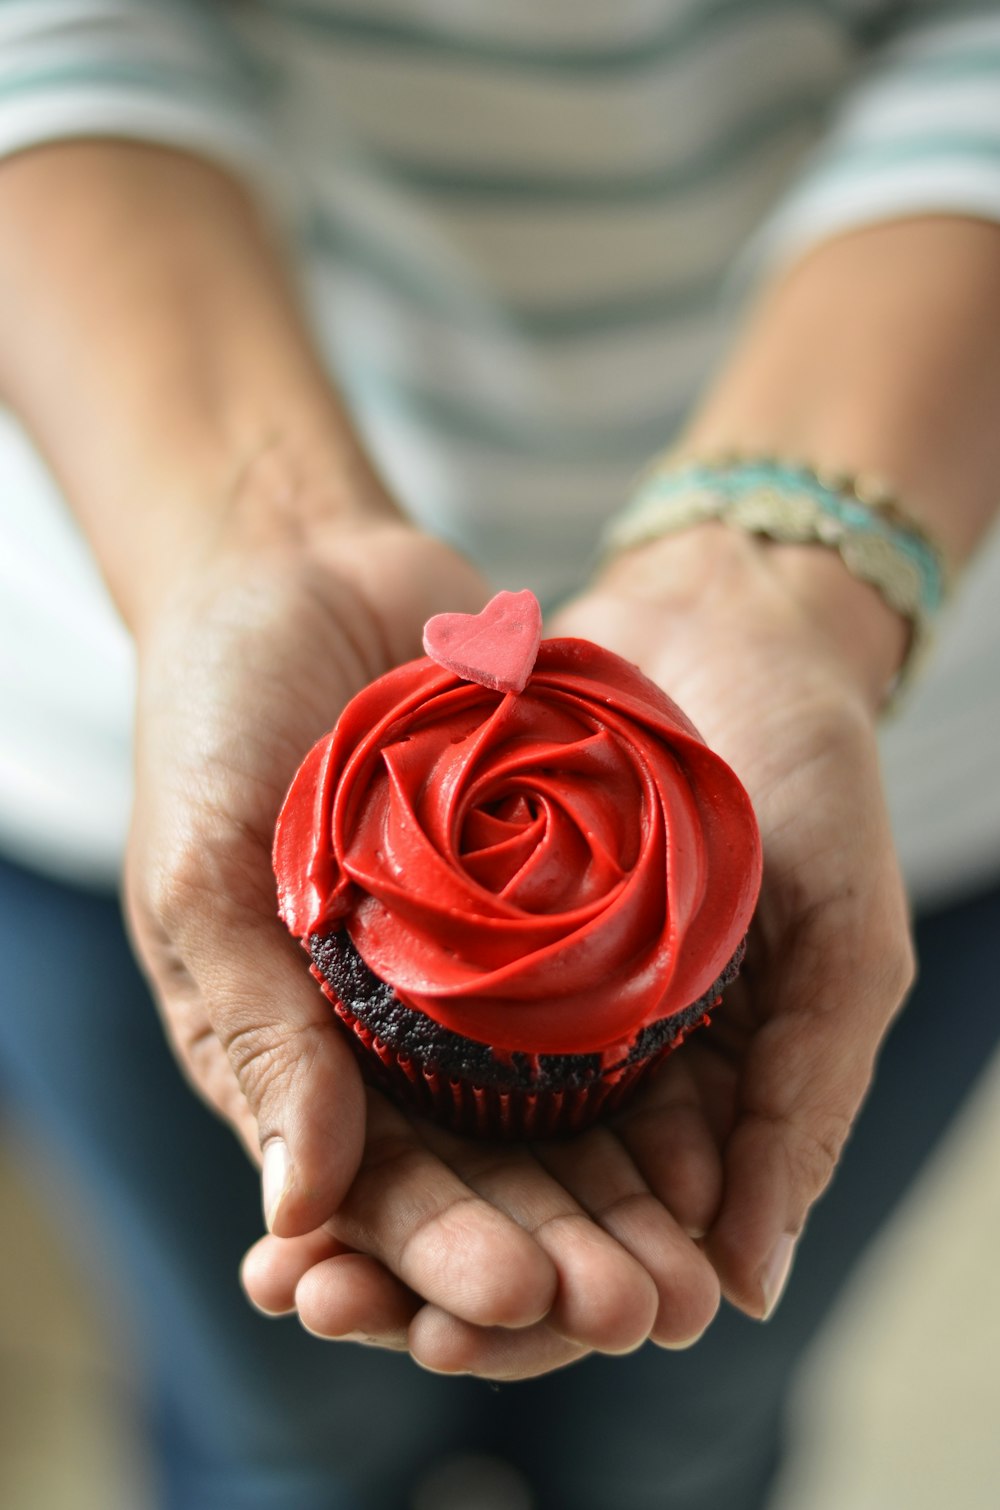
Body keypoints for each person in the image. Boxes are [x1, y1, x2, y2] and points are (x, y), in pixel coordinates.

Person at [1, 1, 999, 1505]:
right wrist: (246, 526)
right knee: (271, 1429)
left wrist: (785, 577)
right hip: (111, 712)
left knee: (691, 1428)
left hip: (876, 763)